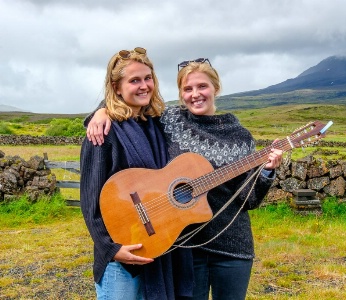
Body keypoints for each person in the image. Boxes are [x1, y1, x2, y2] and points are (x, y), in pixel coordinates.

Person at [86, 58, 283, 300]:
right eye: (187, 89)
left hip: (233, 246)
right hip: (187, 249)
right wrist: (101, 111)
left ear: (216, 88)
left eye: (202, 86)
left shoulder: (240, 137)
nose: (195, 94)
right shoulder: (169, 121)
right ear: (180, 94)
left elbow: (248, 199)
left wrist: (266, 172)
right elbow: (129, 104)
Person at [80, 47, 193, 300]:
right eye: (134, 80)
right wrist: (111, 249)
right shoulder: (104, 132)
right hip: (122, 258)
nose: (144, 86)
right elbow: (90, 200)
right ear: (116, 87)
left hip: (158, 244)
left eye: (148, 78)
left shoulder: (157, 125)